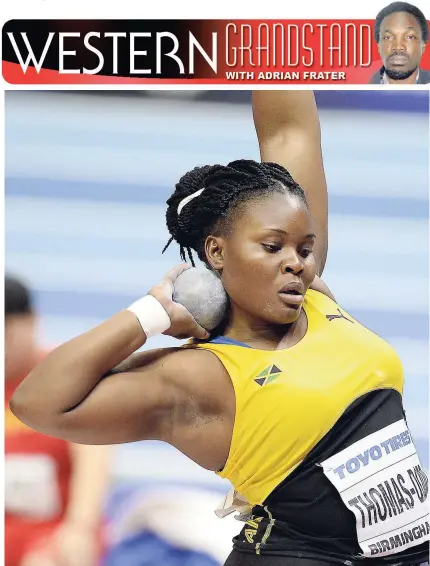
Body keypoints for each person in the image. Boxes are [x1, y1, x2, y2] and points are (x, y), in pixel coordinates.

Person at [9, 92, 429, 566]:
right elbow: (35, 403)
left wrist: (273, 29)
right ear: (217, 252)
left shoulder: (311, 295)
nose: (296, 261)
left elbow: (289, 132)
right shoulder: (199, 375)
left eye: (305, 247)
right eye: (272, 246)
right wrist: (151, 314)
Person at [5, 275, 111, 566]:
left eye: (6, 336)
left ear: (31, 322)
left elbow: (95, 458)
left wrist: (80, 527)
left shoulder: (65, 376)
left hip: (53, 533)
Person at [369, 1, 430, 84]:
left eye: (410, 37)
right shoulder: (357, 88)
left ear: (423, 46)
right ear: (378, 46)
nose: (398, 46)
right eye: (388, 37)